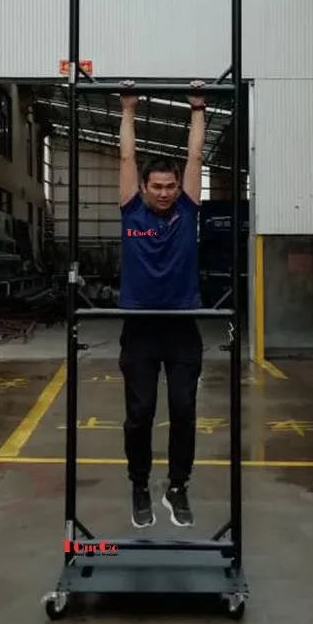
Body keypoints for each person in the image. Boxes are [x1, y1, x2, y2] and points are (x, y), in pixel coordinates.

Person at [117, 79, 206, 528]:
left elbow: (195, 156)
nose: (166, 192)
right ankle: (139, 485)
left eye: (171, 186)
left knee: (184, 410)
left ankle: (177, 486)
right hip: (140, 329)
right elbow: (126, 157)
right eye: (158, 186)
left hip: (182, 329)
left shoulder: (186, 212)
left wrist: (197, 110)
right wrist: (128, 109)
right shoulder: (131, 210)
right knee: (139, 414)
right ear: (144, 187)